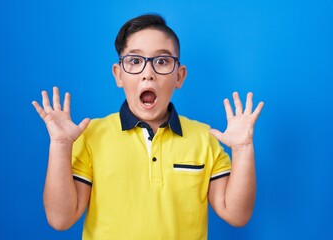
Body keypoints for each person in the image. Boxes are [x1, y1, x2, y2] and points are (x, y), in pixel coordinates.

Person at [32, 14, 264, 240]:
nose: (148, 74)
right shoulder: (92, 135)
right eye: (135, 61)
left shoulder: (206, 138)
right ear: (118, 74)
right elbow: (60, 220)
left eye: (162, 61)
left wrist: (243, 149)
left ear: (179, 77)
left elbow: (236, 215)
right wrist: (61, 146)